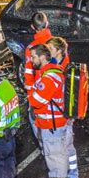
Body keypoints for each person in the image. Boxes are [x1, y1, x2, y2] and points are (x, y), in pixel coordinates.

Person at [28, 44, 69, 178]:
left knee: (55, 161)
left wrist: (31, 90)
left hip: (51, 126)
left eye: (33, 57)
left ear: (43, 57)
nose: (32, 60)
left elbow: (36, 100)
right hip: (55, 124)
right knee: (59, 157)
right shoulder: (52, 71)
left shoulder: (49, 77)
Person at [46, 37, 80, 178]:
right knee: (69, 147)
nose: (48, 52)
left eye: (51, 49)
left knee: (62, 149)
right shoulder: (67, 65)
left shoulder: (59, 69)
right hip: (68, 114)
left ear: (59, 51)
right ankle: (73, 175)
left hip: (62, 116)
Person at [24, 12, 53, 142]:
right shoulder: (57, 44)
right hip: (57, 90)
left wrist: (31, 96)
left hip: (40, 91)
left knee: (38, 123)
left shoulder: (31, 49)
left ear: (32, 26)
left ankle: (44, 147)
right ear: (47, 24)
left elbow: (29, 74)